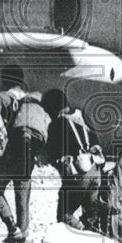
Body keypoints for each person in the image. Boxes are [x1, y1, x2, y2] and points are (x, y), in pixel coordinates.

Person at [0, 64, 49, 243]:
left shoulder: (2, 97)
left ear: (4, 80)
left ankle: (12, 229)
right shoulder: (34, 99)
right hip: (29, 153)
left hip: (9, 153)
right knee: (23, 201)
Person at [42, 89, 104, 232]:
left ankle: (83, 233)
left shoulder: (57, 124)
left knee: (65, 215)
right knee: (91, 214)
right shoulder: (82, 117)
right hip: (95, 171)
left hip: (79, 173)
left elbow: (52, 153)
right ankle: (94, 238)